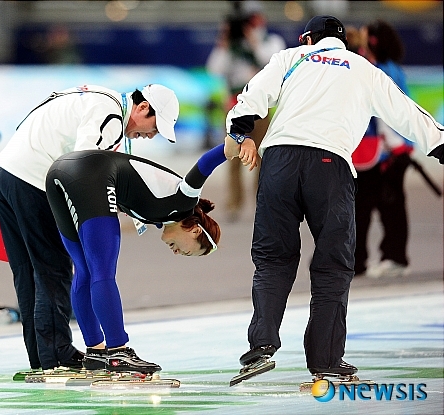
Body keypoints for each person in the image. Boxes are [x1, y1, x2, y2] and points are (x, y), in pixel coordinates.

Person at [223, 15, 444, 377]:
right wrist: (441, 144)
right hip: (330, 165)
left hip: (278, 161)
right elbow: (407, 113)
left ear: (307, 37)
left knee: (273, 258)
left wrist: (242, 131)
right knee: (333, 266)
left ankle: (261, 344)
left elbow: (252, 96)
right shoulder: (363, 68)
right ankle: (325, 360)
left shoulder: (290, 57)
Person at [0, 83, 179, 371]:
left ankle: (42, 357)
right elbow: (82, 165)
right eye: (155, 126)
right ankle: (58, 354)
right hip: (31, 179)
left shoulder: (99, 98)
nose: (151, 135)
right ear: (142, 108)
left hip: (4, 173)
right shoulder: (111, 115)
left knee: (27, 272)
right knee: (53, 269)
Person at [44, 141, 258, 372]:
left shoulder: (160, 214)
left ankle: (95, 352)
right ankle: (118, 352)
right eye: (187, 251)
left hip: (60, 170)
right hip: (90, 173)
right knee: (102, 272)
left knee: (85, 270)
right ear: (195, 230)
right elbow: (204, 164)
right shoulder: (185, 202)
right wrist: (236, 141)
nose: (177, 253)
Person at [206, 0, 286, 221]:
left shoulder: (271, 41)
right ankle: (234, 203)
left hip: (260, 107)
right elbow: (214, 69)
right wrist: (224, 43)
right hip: (234, 105)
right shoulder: (231, 44)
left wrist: (253, 42)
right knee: (232, 156)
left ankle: (262, 203)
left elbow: (270, 64)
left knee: (261, 156)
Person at [353, 20, 414, 278]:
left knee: (388, 206)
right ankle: (381, 257)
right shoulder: (386, 68)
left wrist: (393, 145)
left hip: (389, 149)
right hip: (388, 148)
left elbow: (388, 113)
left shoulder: (382, 71)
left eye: (366, 37)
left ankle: (394, 257)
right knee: (376, 205)